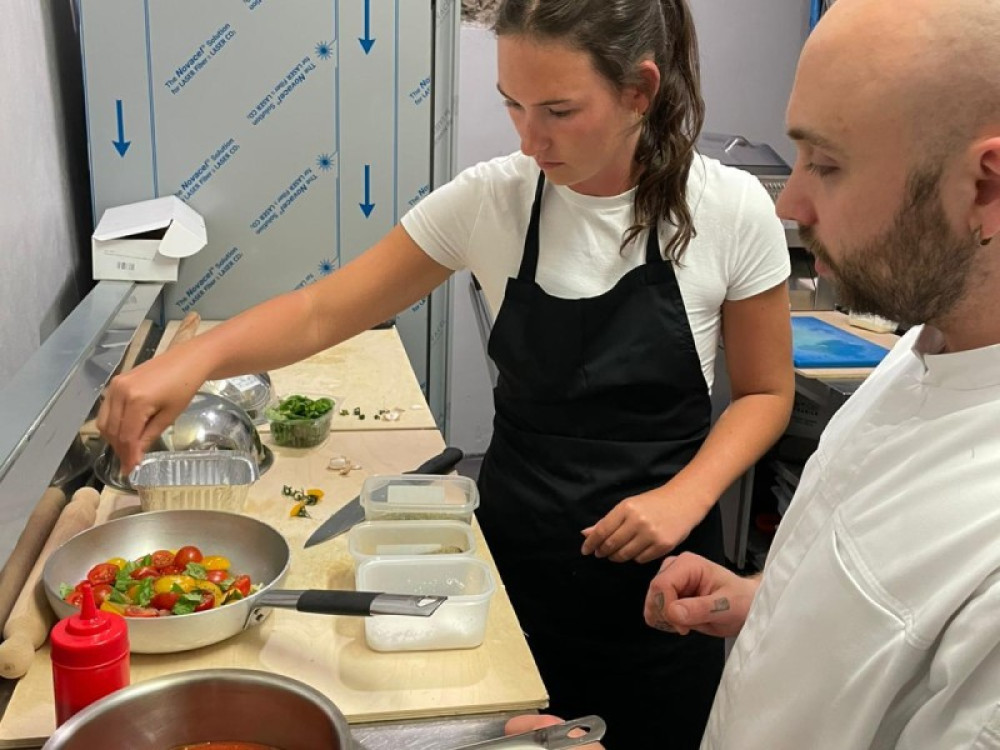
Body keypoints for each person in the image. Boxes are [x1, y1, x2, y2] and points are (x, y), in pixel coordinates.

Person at [97, 1, 794, 746]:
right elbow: (321, 311)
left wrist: (686, 496)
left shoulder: (728, 208)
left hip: (667, 588)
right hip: (514, 568)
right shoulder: (491, 200)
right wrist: (191, 359)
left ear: (639, 90)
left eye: (558, 110)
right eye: (513, 106)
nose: (529, 139)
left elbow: (765, 392)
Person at [510, 0, 1000, 746]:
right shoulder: (925, 353)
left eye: (827, 163)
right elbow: (885, 599)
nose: (792, 202)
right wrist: (758, 596)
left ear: (987, 187)